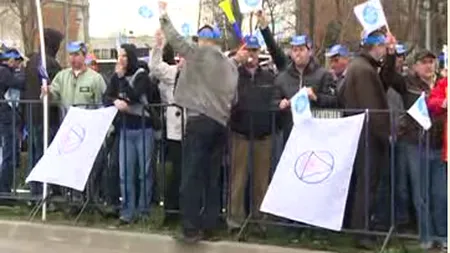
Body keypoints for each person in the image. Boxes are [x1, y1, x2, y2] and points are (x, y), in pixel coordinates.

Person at [158, 1, 247, 243]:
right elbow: (235, 98)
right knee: (212, 176)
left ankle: (190, 228)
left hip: (198, 121)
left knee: (191, 175)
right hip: (220, 124)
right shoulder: (230, 66)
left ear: (201, 40)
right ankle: (211, 224)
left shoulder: (198, 54)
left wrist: (164, 16)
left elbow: (175, 39)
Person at [341, 30, 397, 247]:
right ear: (375, 46)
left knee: (367, 183)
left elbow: (383, 83)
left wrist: (391, 56)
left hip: (363, 133)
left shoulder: (363, 67)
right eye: (383, 47)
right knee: (367, 184)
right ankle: (362, 232)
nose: (384, 50)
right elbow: (372, 107)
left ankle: (363, 228)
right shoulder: (363, 70)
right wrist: (386, 134)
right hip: (367, 134)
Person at [393, 50, 447, 250]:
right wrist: (391, 54)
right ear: (415, 65)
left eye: (431, 62)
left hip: (439, 145)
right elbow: (389, 76)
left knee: (441, 194)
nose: (428, 66)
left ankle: (443, 236)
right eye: (423, 62)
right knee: (421, 195)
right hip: (415, 144)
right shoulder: (407, 83)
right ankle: (426, 238)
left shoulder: (443, 83)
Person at [104, 43, 161, 225]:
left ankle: (143, 209)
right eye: (119, 56)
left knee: (144, 172)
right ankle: (127, 210)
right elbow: (106, 97)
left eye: (124, 56)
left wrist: (122, 80)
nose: (121, 60)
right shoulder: (115, 77)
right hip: (125, 129)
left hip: (143, 128)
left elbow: (135, 95)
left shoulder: (141, 75)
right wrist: (115, 103)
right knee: (125, 173)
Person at [227, 35, 278, 231]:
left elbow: (274, 98)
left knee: (261, 182)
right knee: (237, 181)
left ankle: (260, 221)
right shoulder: (235, 74)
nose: (252, 54)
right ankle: (235, 221)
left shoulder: (268, 76)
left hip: (263, 136)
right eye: (248, 50)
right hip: (240, 134)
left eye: (255, 50)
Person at [149, 29, 185, 225]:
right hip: (175, 132)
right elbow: (155, 67)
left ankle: (189, 211)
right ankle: (172, 212)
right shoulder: (172, 73)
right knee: (175, 173)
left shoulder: (197, 75)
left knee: (191, 173)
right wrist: (158, 46)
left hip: (194, 131)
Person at [24, 28, 64, 198]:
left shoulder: (32, 61)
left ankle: (35, 192)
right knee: (46, 155)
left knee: (35, 155)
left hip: (32, 115)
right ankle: (46, 192)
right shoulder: (51, 64)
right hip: (47, 117)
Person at [275, 34, 337, 143]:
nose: (298, 53)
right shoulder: (282, 78)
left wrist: (316, 97)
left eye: (301, 49)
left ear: (310, 52)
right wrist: (279, 103)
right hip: (290, 135)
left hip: (316, 135)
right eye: (294, 50)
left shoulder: (323, 75)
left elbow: (334, 101)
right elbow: (272, 100)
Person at [41, 41, 106, 112]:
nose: (73, 58)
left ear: (84, 56)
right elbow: (52, 98)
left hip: (87, 121)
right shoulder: (62, 76)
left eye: (76, 54)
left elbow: (102, 104)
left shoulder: (96, 78)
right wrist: (48, 93)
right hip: (67, 120)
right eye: (70, 54)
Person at [0, 49, 26, 194]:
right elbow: (19, 83)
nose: (19, 65)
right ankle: (4, 190)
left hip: (7, 117)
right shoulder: (4, 72)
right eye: (18, 62)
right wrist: (23, 73)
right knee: (8, 154)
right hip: (5, 118)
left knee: (8, 153)